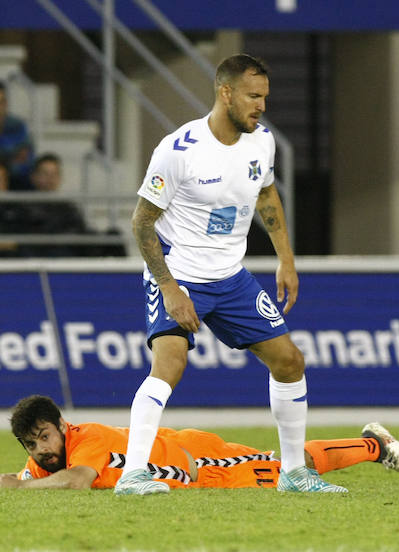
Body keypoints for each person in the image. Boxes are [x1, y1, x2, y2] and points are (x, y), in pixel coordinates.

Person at [117, 53, 338, 496]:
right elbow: (142, 223)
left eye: (265, 98)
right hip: (179, 274)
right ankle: (132, 474)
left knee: (290, 360)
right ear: (226, 93)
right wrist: (169, 287)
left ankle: (294, 473)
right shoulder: (178, 150)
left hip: (231, 278)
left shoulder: (262, 142)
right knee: (170, 364)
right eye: (253, 97)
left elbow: (267, 195)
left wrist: (286, 258)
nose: (261, 107)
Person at [0, 395, 399, 490]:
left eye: (42, 436)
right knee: (283, 470)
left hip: (196, 457)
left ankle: (373, 444)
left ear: (61, 424)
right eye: (30, 445)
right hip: (188, 473)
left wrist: (18, 490)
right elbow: (12, 479)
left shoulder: (87, 442)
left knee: (285, 470)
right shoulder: (47, 464)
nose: (39, 450)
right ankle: (370, 445)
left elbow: (77, 481)